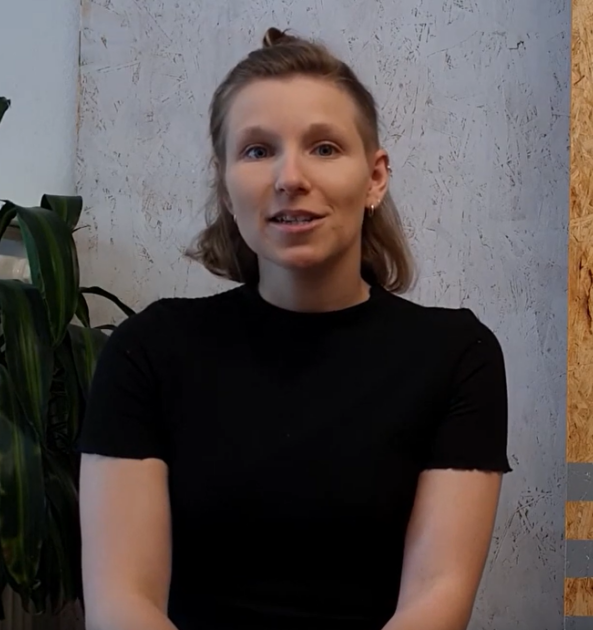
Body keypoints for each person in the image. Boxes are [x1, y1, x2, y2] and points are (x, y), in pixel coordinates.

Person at [75, 27, 512, 630]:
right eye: (257, 151)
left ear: (375, 177)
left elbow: (437, 598)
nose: (289, 177)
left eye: (324, 148)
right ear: (225, 184)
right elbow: (121, 601)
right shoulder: (147, 352)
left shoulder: (458, 356)